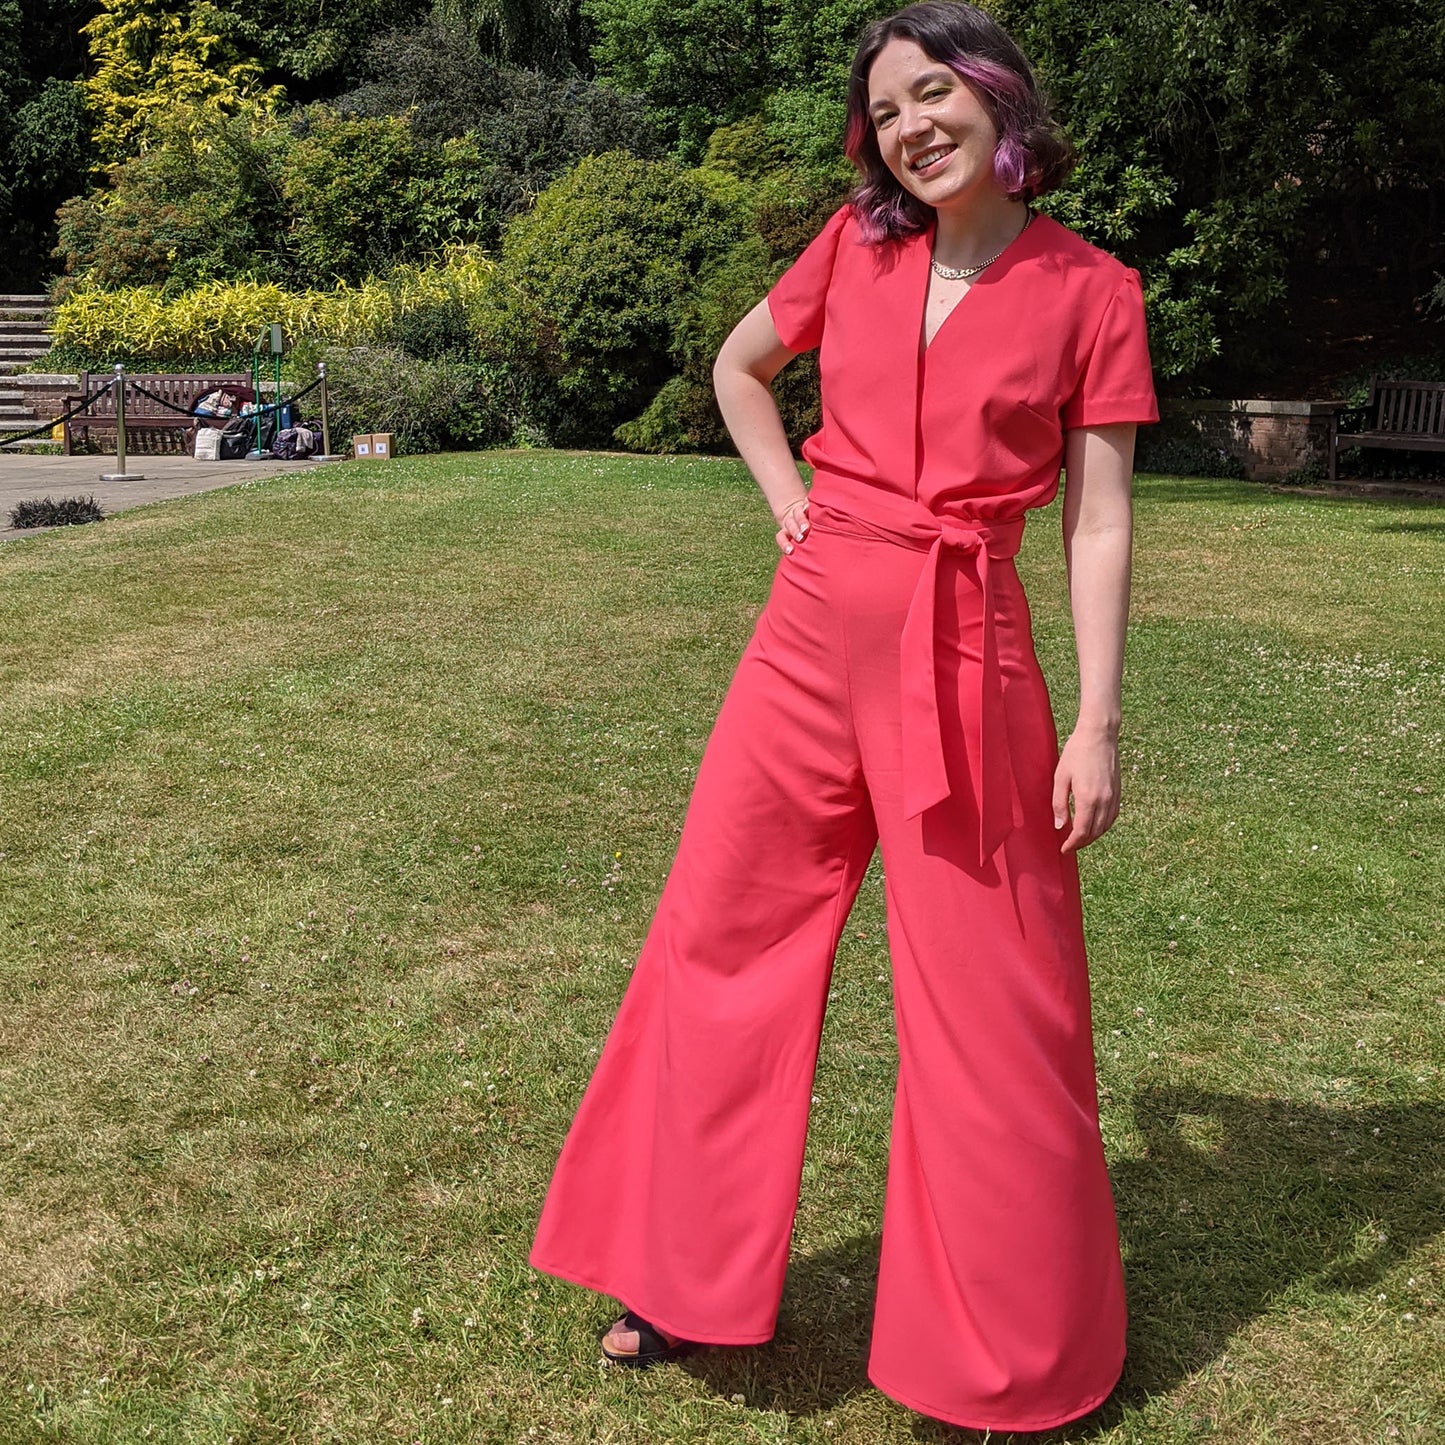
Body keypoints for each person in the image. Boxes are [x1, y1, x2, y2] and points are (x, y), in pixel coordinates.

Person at [529, 1, 1158, 1431]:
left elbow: (1098, 521)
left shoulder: (1091, 290)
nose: (911, 127)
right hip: (811, 631)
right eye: (885, 111)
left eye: (932, 93)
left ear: (997, 103)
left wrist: (1097, 720)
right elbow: (738, 371)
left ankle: (1004, 1344)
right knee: (723, 933)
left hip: (969, 643)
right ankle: (672, 1275)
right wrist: (789, 509)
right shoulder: (857, 245)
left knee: (993, 988)